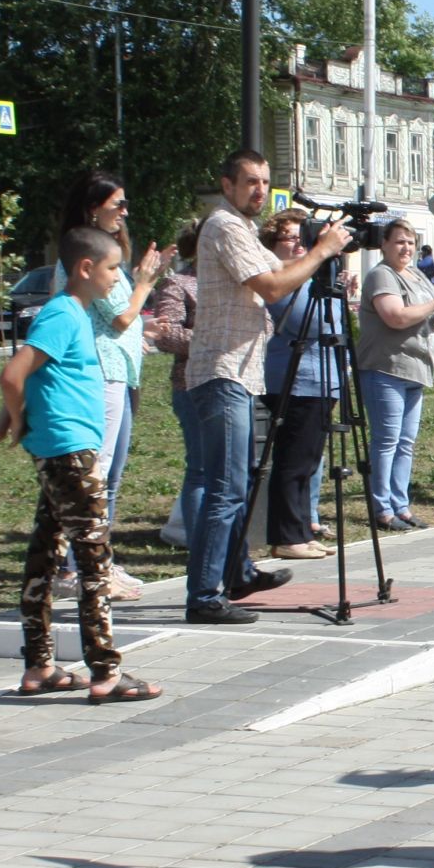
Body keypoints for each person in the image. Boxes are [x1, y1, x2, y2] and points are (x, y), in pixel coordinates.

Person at [0, 227, 161, 704]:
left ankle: (39, 666)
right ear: (86, 269)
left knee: (44, 555)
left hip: (61, 452)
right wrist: (14, 425)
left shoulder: (75, 316)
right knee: (94, 562)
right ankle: (106, 672)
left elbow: (29, 379)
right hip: (70, 452)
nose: (117, 279)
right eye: (113, 269)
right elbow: (13, 374)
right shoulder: (64, 314)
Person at [185, 149, 350, 625]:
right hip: (222, 370)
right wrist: (322, 251)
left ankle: (236, 573)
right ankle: (203, 596)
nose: (259, 190)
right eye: (250, 182)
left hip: (242, 372)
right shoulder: (223, 225)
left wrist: (321, 253)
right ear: (227, 184)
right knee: (225, 487)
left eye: (264, 182)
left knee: (237, 482)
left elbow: (282, 276)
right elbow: (273, 287)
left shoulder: (242, 228)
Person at [54, 173, 162, 602]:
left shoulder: (107, 256)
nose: (124, 212)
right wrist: (145, 283)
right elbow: (120, 317)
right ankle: (80, 566)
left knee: (110, 475)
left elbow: (127, 319)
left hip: (122, 370)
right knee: (94, 474)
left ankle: (98, 559)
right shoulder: (86, 257)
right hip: (101, 374)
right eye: (117, 204)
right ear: (92, 208)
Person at [357, 218, 434, 530]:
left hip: (415, 370)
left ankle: (401, 505)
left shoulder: (415, 275)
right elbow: (396, 317)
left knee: (405, 442)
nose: (406, 248)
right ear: (384, 244)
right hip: (385, 368)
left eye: (411, 242)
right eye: (399, 241)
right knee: (386, 441)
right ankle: (382, 509)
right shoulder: (381, 276)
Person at [261, 209, 343, 558]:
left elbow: (336, 322)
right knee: (293, 460)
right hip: (294, 379)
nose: (297, 244)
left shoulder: (311, 279)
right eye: (289, 238)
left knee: (308, 460)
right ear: (273, 244)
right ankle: (285, 536)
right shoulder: (277, 277)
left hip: (322, 378)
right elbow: (306, 323)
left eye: (302, 237)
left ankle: (300, 530)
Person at [145, 222, 202, 549]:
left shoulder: (232, 281)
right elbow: (166, 335)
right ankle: (195, 542)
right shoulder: (178, 283)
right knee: (203, 467)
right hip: (191, 386)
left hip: (232, 382)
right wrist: (213, 338)